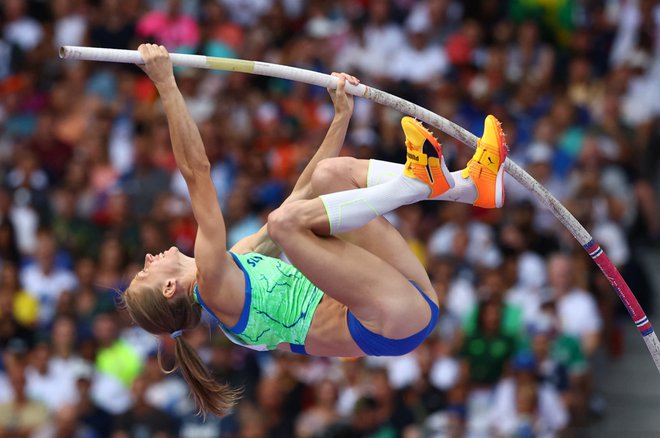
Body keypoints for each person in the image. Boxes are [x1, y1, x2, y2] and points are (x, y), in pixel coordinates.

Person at [123, 44, 508, 416]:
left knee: (330, 176)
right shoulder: (214, 287)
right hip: (385, 322)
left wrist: (341, 115)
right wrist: (166, 84)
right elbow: (196, 172)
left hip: (397, 298)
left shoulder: (237, 260)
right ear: (169, 288)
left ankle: (470, 187)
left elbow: (305, 190)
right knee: (283, 222)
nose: (147, 259)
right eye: (146, 272)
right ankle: (416, 184)